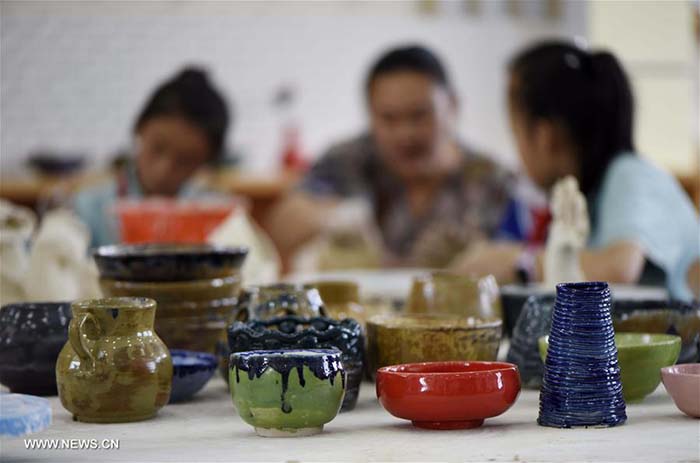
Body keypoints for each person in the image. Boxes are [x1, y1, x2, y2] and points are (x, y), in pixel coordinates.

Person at [452, 41, 700, 301]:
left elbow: (620, 268)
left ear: (546, 136)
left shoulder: (631, 176)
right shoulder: (591, 197)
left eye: (516, 133)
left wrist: (519, 262)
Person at [265, 45, 512, 268]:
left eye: (419, 115)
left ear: (453, 106)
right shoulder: (348, 160)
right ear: (370, 115)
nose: (405, 134)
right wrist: (336, 217)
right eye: (389, 119)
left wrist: (480, 258)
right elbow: (281, 228)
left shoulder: (492, 180)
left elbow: (526, 262)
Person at [73, 67, 230, 247]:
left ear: (206, 161)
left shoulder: (216, 218)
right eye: (157, 148)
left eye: (185, 161)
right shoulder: (88, 210)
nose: (164, 169)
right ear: (139, 127)